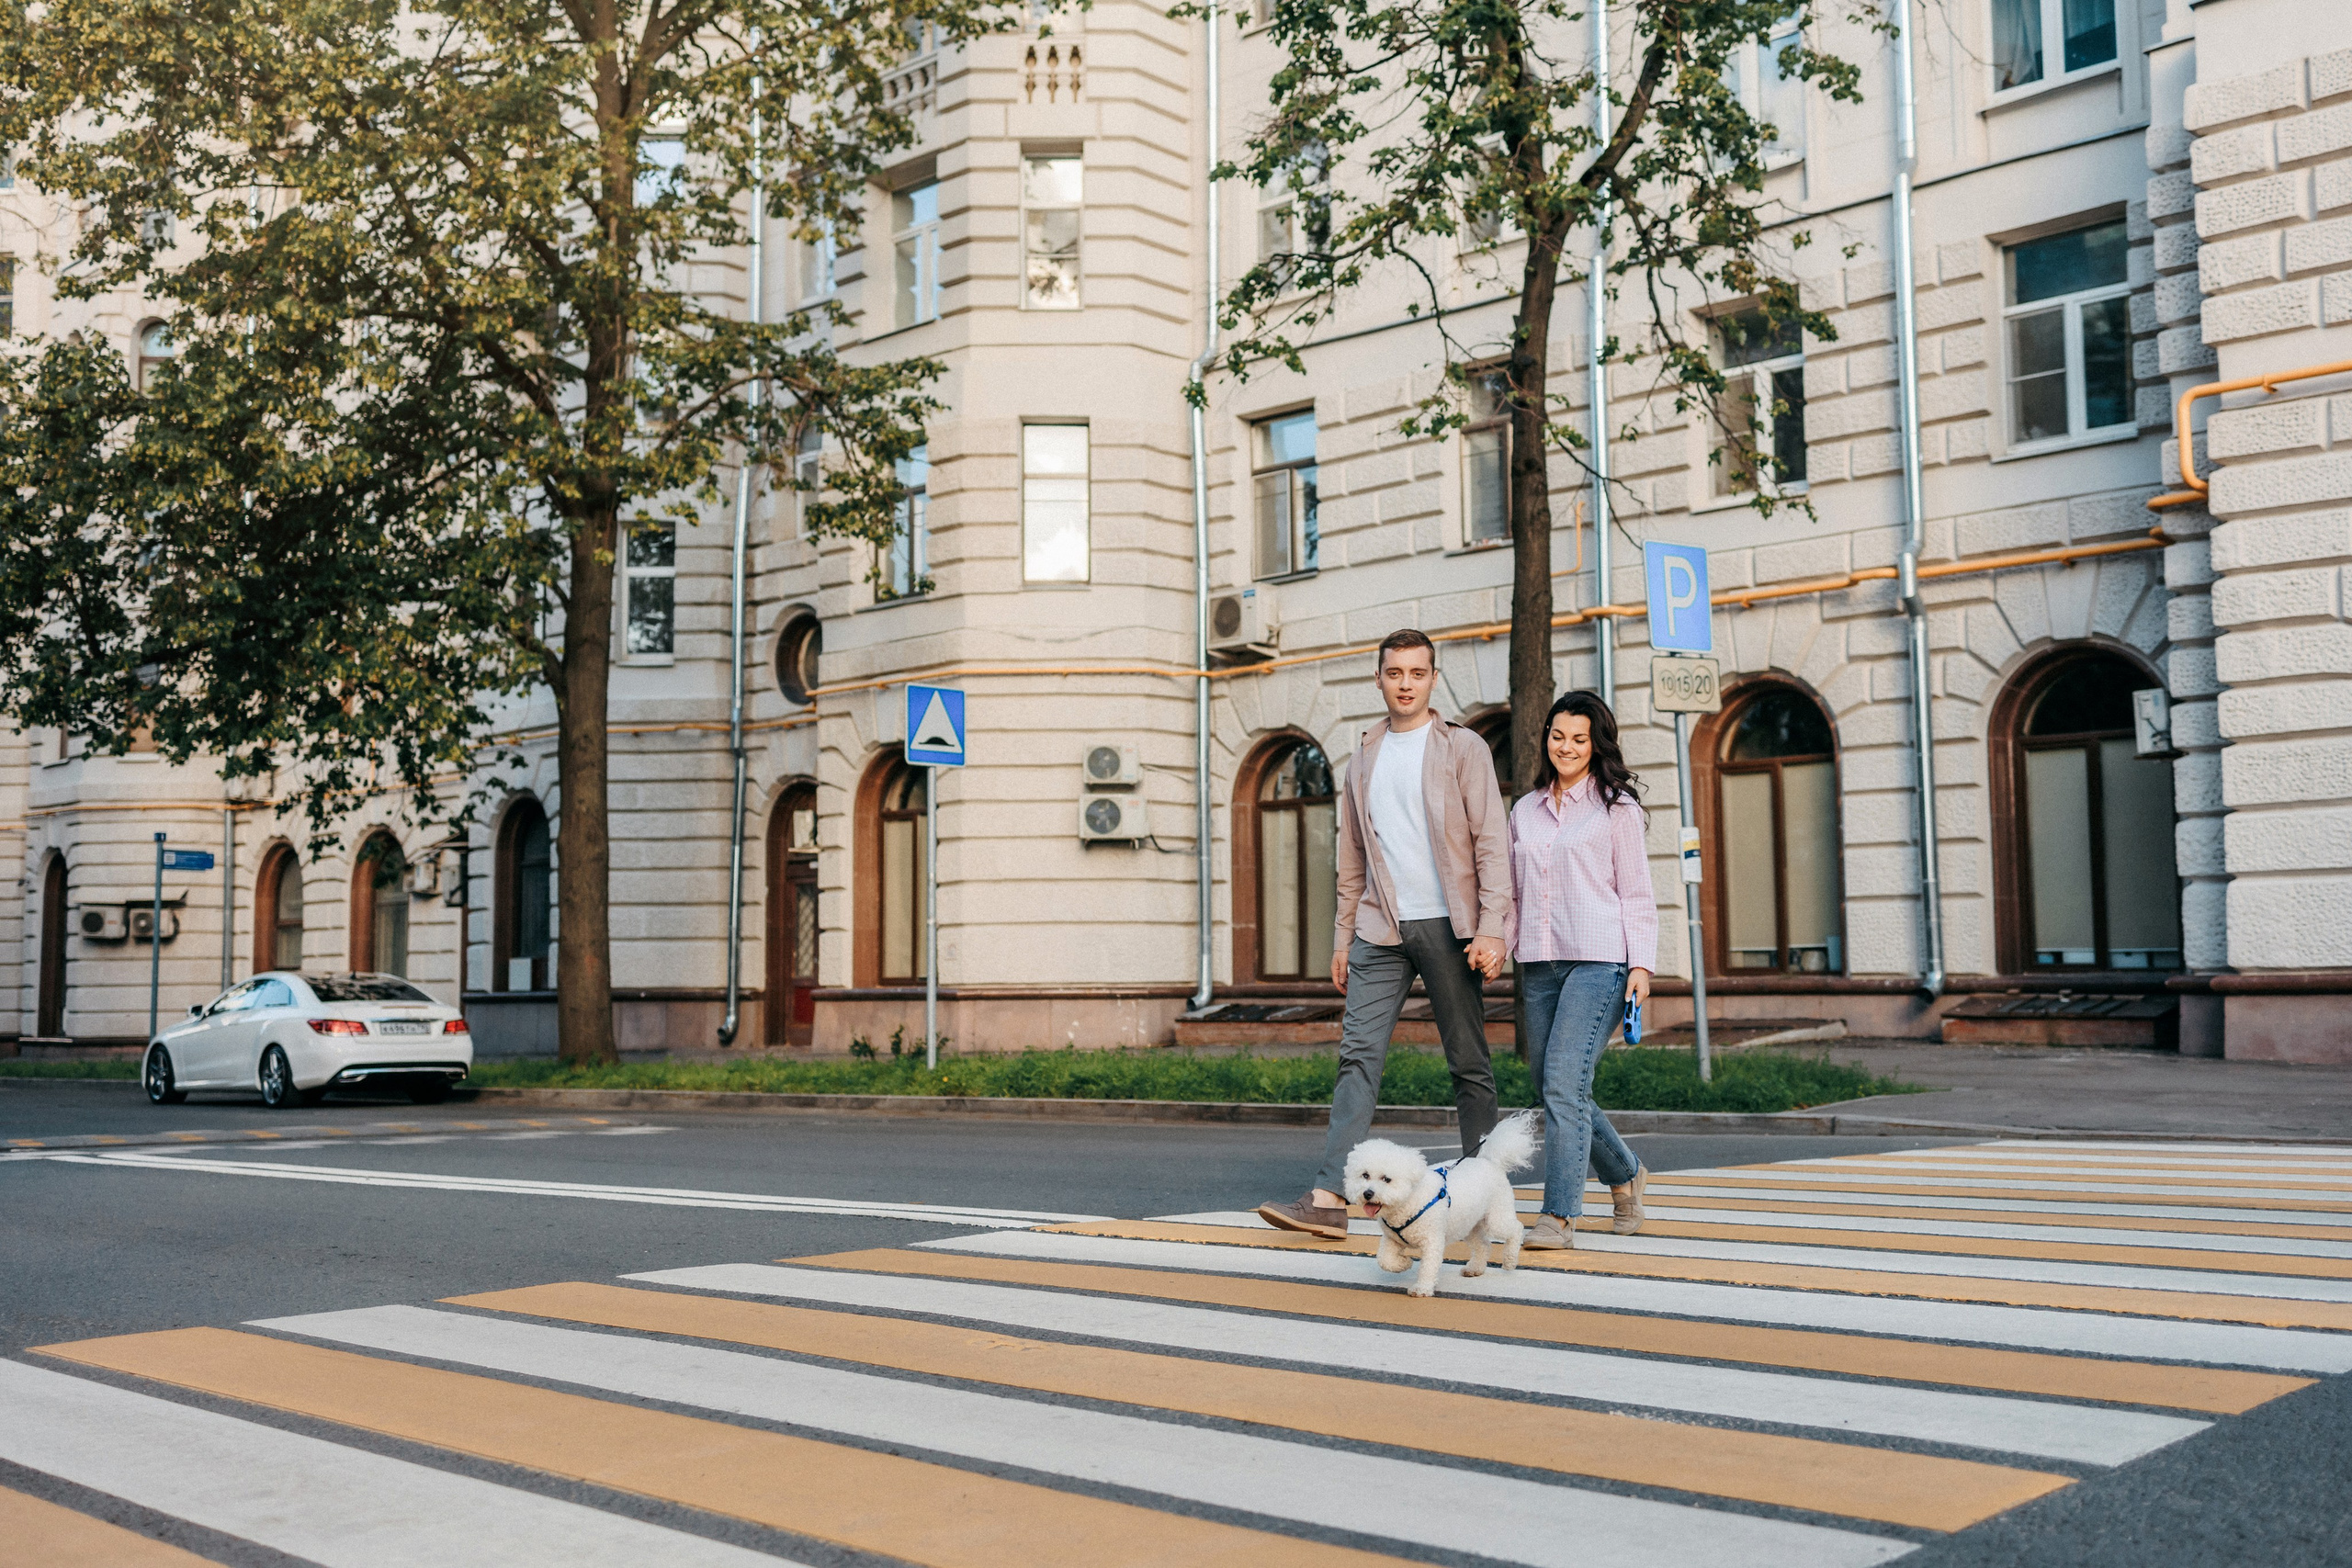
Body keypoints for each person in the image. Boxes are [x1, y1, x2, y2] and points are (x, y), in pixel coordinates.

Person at [1257, 628, 1511, 1238]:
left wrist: (1493, 928)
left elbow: (1491, 843)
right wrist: (1343, 938)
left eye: (1416, 673)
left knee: (1468, 1062)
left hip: (1452, 925)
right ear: (1379, 678)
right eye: (1394, 673)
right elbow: (1351, 859)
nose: (1405, 683)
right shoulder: (1364, 756)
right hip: (1380, 925)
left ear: (1432, 678)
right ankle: (1326, 1197)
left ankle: (1479, 1196)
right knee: (1357, 1059)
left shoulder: (1464, 748)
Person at [1509, 690, 1657, 1249]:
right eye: (1557, 736)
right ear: (1545, 738)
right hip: (1540, 964)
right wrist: (1499, 939)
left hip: (1600, 960)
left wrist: (1641, 965)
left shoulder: (1616, 807)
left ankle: (1559, 1216)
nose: (1566, 747)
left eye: (1579, 738)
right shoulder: (1524, 810)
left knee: (1564, 1086)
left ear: (1596, 745)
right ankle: (1624, 1173)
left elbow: (1637, 893)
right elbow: (1514, 892)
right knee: (1556, 1086)